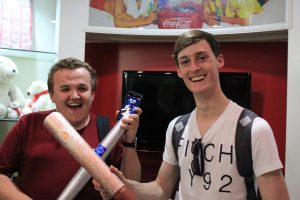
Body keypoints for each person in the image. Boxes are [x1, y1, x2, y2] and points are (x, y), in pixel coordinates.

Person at [93, 30, 290, 200]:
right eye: (185, 62)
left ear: (219, 60)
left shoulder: (254, 130)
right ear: (179, 71)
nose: (194, 68)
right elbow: (161, 190)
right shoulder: (177, 128)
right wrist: (123, 184)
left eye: (202, 57)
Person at [0, 57, 142, 200]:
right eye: (65, 89)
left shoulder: (109, 132)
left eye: (82, 88)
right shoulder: (29, 124)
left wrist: (129, 142)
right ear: (52, 95)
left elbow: (130, 185)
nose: (74, 96)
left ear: (92, 94)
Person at [90, 0, 158, 28]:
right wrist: (145, 21)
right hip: (101, 2)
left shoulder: (153, 2)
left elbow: (153, 18)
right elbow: (118, 23)